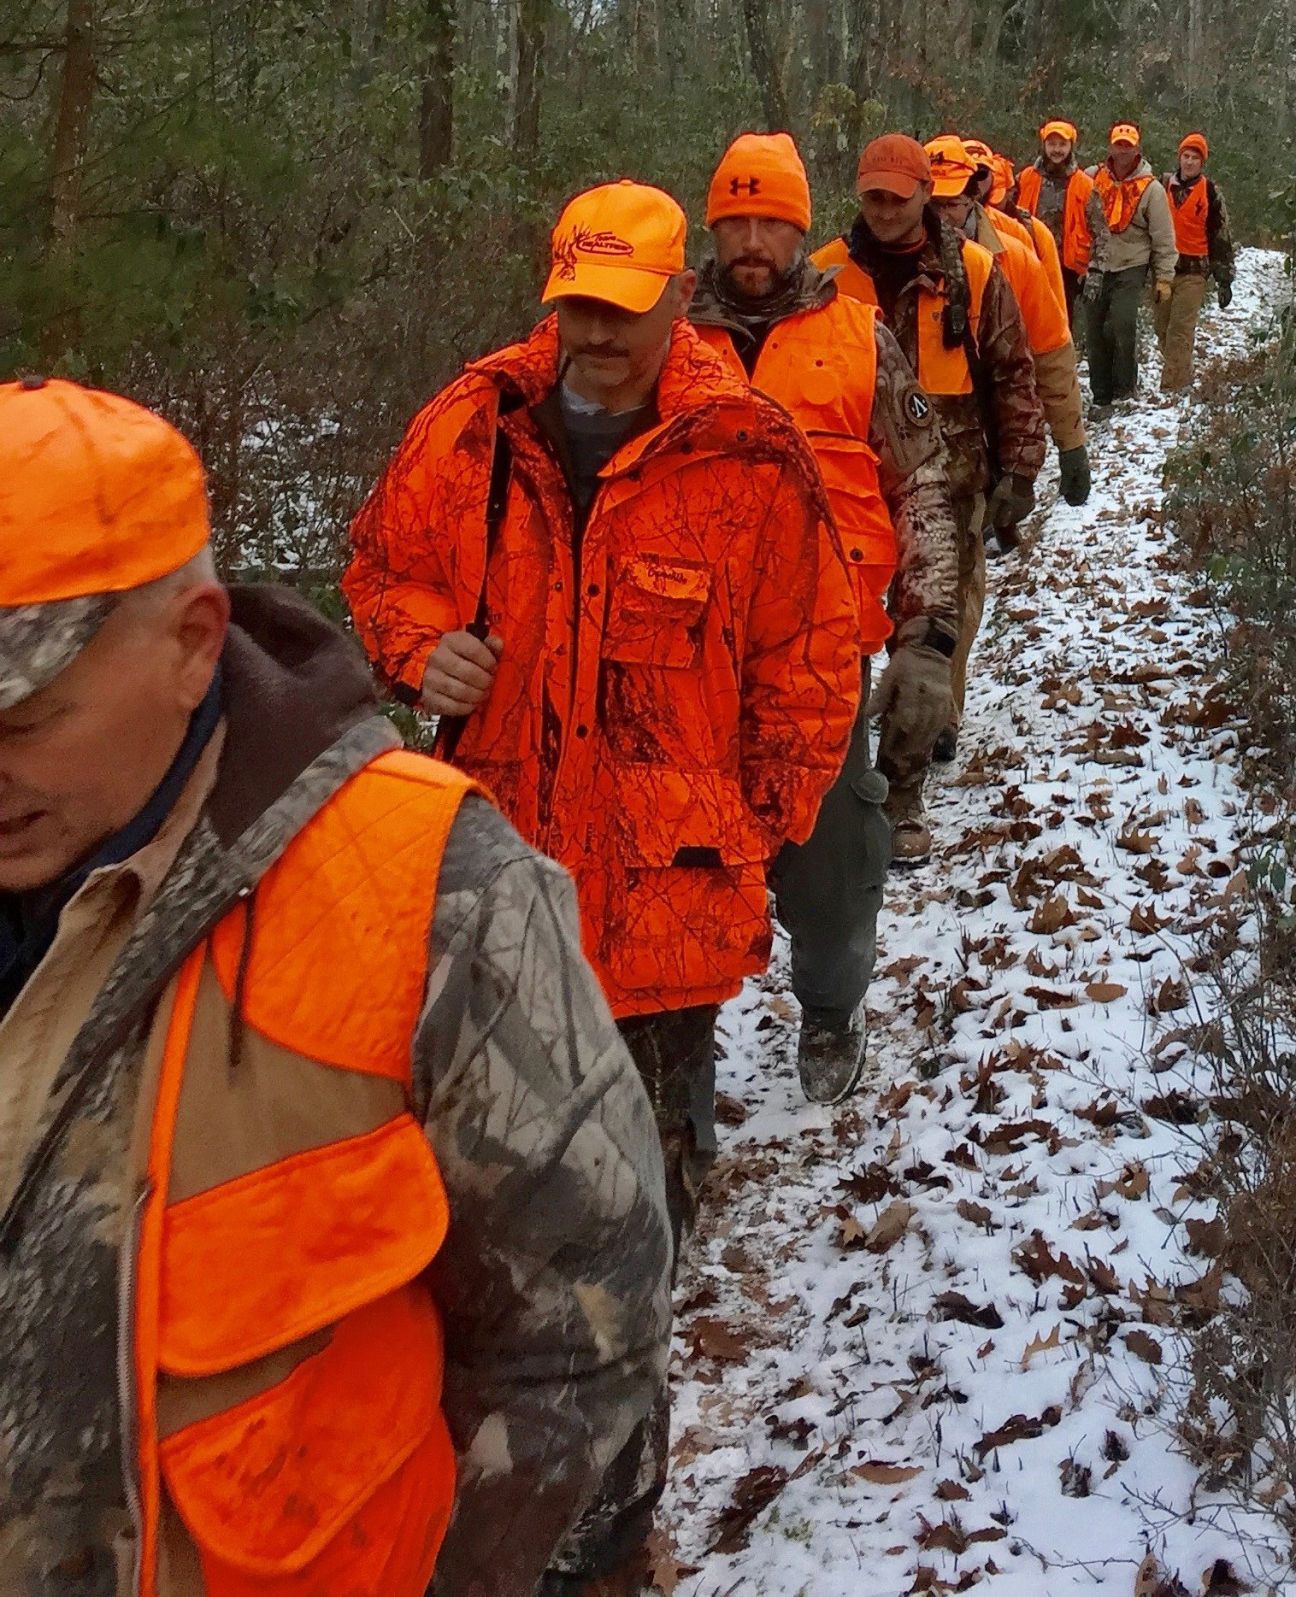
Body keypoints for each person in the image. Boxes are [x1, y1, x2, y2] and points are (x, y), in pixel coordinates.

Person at [0, 377, 672, 1597]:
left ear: (192, 642)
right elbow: (392, 571)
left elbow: (584, 1350)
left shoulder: (431, 893)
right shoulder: (461, 430)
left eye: (23, 719)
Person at [345, 178, 859, 1591]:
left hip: (662, 929)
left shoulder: (747, 456)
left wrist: (745, 828)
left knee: (631, 1248)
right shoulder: (471, 430)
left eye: (624, 309)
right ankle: (471, 1508)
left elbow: (815, 663)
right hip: (486, 910)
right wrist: (420, 648)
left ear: (675, 299)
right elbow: (380, 570)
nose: (596, 334)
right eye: (577, 304)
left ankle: (608, 1530)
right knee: (471, 1238)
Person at [689, 131, 961, 1098]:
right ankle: (675, 1049)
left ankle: (832, 1007)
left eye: (771, 221)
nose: (751, 241)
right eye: (735, 221)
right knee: (675, 859)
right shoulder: (664, 339)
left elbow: (921, 483)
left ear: (801, 228)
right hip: (682, 654)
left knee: (833, 855)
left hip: (824, 652)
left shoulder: (857, 335)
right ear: (712, 228)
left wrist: (929, 638)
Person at [813, 134, 1046, 853]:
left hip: (955, 483)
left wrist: (1022, 469)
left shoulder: (974, 270)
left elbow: (1011, 371)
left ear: (924, 194)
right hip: (845, 491)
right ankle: (828, 787)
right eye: (872, 196)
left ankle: (902, 790)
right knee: (836, 640)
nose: (884, 209)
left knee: (932, 641)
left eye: (897, 195)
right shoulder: (823, 274)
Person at [927, 135, 1090, 509]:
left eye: (950, 204)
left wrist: (1071, 444)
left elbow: (1051, 351)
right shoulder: (883, 266)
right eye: (931, 204)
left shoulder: (1015, 255)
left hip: (992, 436)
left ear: (972, 196)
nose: (939, 218)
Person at [1083, 121, 1177, 418]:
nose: (1123, 151)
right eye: (1118, 144)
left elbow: (1163, 237)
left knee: (1122, 325)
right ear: (1110, 147)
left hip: (1131, 265)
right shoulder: (1090, 178)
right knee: (1094, 330)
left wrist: (1164, 278)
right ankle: (1101, 395)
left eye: (1128, 146)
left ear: (1137, 149)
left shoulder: (1151, 189)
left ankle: (1125, 391)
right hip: (1095, 265)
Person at [1155, 132, 1236, 391]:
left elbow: (1220, 236)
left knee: (1180, 329)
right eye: (1186, 156)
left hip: (1194, 272)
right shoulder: (1161, 186)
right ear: (1179, 158)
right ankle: (1183, 372)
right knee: (1162, 328)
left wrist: (1224, 279)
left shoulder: (1210, 192)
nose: (1189, 162)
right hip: (1163, 271)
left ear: (1202, 163)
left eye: (1195, 158)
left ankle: (1172, 389)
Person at [1015, 119, 1095, 326]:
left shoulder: (1086, 184)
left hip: (1067, 268)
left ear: (1071, 146)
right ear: (1043, 145)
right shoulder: (1024, 178)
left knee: (1062, 322)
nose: (1057, 150)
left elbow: (1101, 232)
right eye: (1051, 144)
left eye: (1062, 144)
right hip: (1030, 260)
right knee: (1027, 319)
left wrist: (1095, 273)